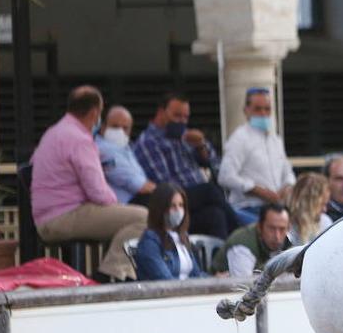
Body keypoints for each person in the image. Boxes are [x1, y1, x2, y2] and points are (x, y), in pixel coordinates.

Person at [31, 85, 147, 281]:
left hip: (45, 218)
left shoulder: (53, 132)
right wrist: (117, 206)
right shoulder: (79, 139)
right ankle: (111, 272)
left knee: (128, 216)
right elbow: (99, 193)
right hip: (65, 216)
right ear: (95, 112)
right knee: (143, 217)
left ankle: (122, 272)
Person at [133, 93, 239, 238]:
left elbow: (216, 167)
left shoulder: (187, 137)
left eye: (185, 117)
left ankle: (224, 259)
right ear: (161, 113)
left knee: (216, 215)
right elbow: (166, 186)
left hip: (196, 206)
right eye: (177, 116)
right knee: (210, 191)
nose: (181, 121)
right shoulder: (148, 142)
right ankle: (245, 231)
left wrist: (201, 146)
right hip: (173, 203)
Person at [217, 87, 296, 218]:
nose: (264, 114)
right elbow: (225, 176)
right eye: (258, 109)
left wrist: (286, 188)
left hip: (276, 208)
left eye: (267, 109)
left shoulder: (275, 140)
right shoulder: (239, 138)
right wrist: (256, 190)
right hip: (248, 208)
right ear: (246, 111)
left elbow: (288, 172)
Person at [135, 183, 208, 281]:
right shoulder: (150, 242)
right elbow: (166, 282)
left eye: (181, 205)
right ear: (160, 209)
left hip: (188, 293)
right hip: (167, 295)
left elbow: (196, 274)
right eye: (172, 206)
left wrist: (216, 280)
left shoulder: (182, 236)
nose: (178, 210)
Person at [95, 105, 154, 206]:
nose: (120, 131)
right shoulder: (104, 149)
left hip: (137, 200)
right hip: (124, 205)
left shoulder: (125, 147)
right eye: (115, 127)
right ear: (103, 127)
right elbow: (138, 186)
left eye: (125, 128)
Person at [214, 203, 293, 277]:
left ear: (288, 228)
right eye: (271, 229)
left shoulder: (290, 242)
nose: (277, 236)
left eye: (282, 229)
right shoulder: (242, 245)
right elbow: (244, 286)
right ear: (260, 227)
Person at [288, 172, 332, 245]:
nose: (325, 209)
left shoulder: (325, 222)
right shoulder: (285, 225)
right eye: (322, 204)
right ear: (307, 204)